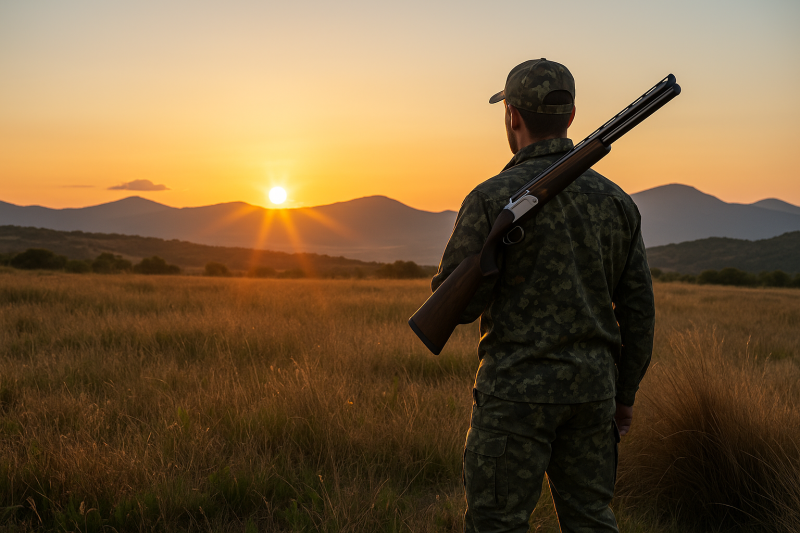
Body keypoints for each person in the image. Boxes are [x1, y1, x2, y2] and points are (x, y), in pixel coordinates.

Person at [431, 59, 655, 532]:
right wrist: (625, 393)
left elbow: (463, 308)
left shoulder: (491, 196)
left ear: (511, 115)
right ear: (571, 117)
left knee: (497, 524)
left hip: (513, 396)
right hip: (593, 395)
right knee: (592, 520)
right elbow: (638, 311)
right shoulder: (617, 203)